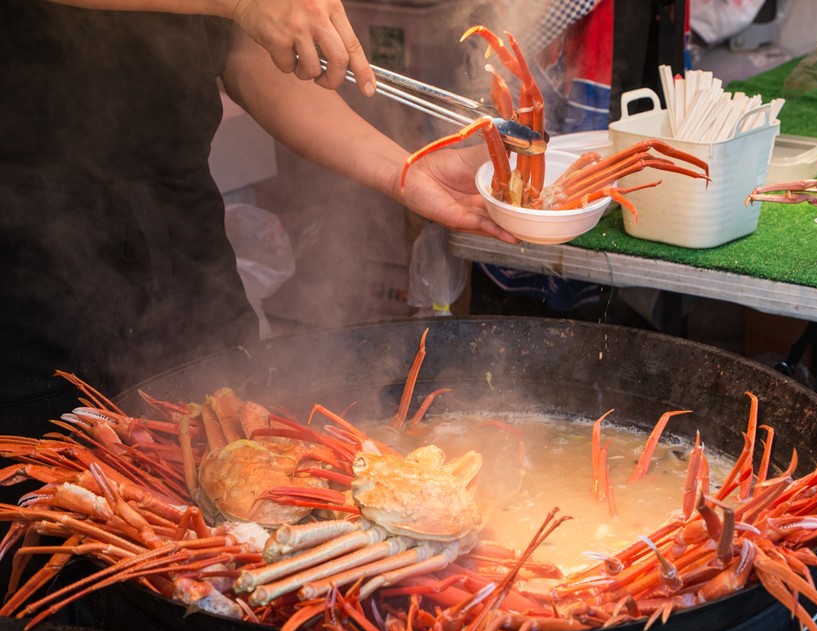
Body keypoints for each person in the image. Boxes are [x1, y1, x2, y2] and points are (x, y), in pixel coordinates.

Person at [0, 0, 517, 437]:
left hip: (185, 248)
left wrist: (404, 172)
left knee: (230, 501)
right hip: (25, 265)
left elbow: (244, 50)